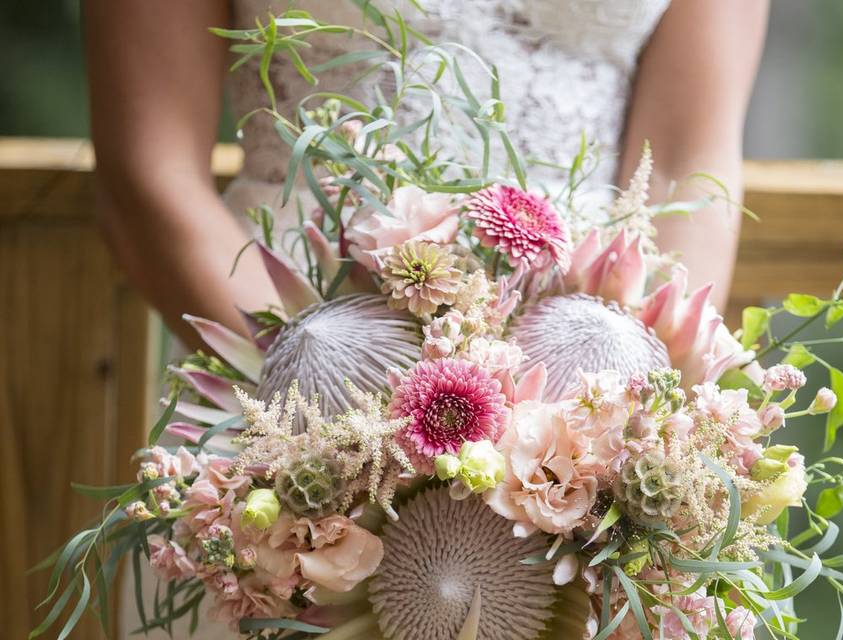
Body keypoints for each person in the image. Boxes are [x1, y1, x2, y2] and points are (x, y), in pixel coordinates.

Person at [84, 1, 767, 635]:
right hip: (279, 375)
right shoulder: (295, 394)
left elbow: (690, 161)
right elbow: (150, 170)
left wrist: (641, 427)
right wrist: (326, 415)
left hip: (599, 399)